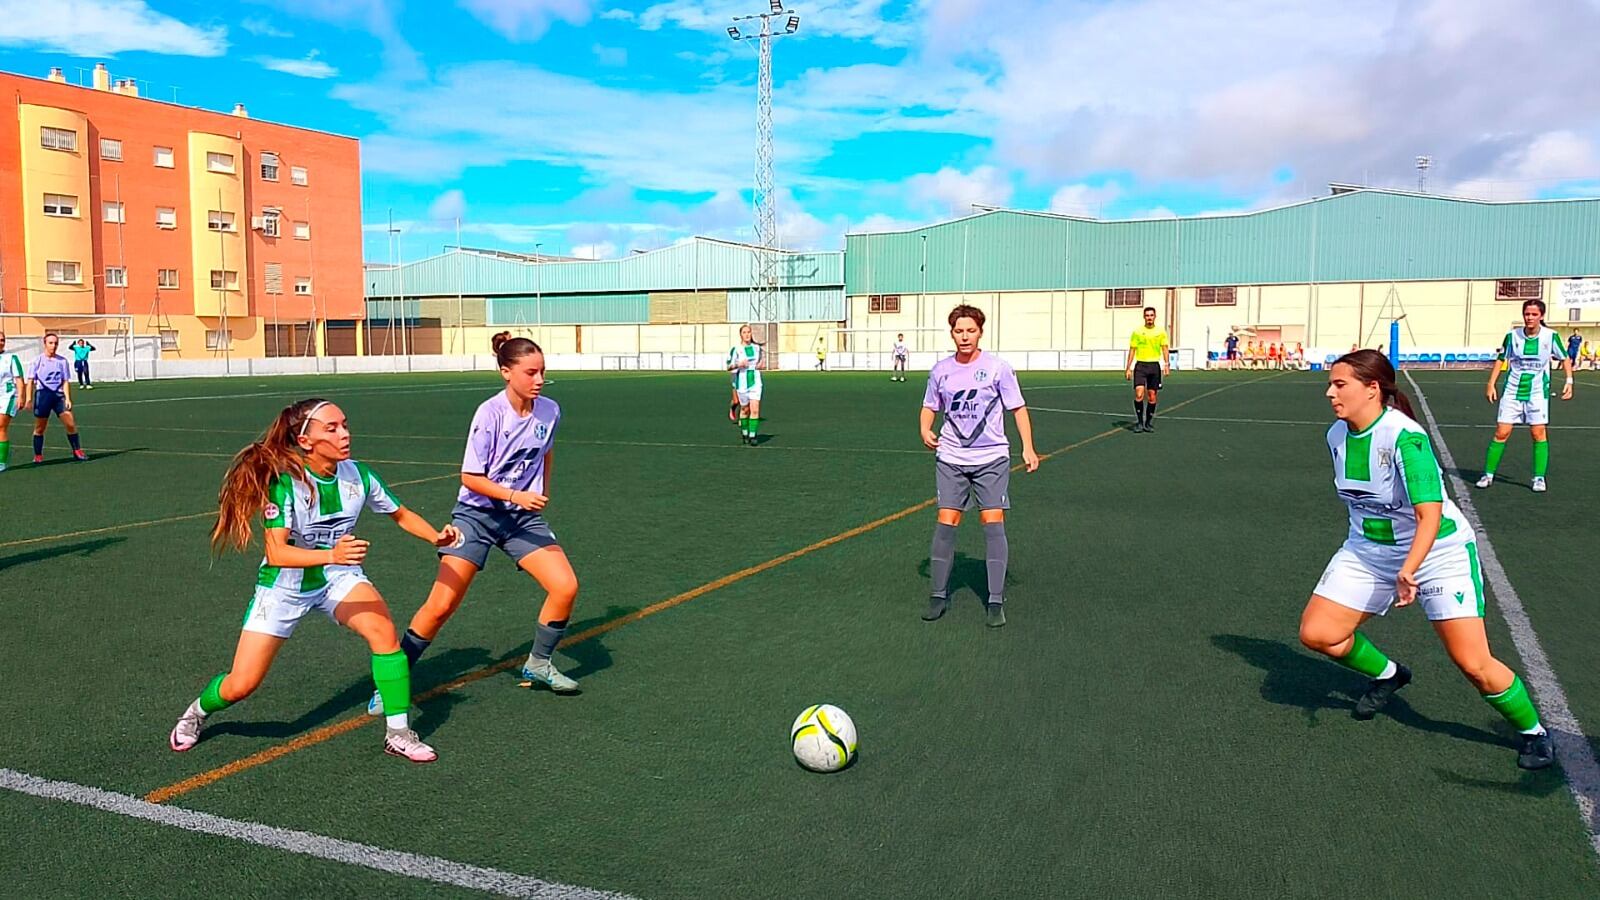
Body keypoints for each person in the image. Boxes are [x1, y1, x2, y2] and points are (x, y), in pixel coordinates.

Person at [1298, 350, 1552, 770]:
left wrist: (1409, 569)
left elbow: (1428, 514)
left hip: (1436, 554)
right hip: (1368, 550)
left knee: (1474, 663)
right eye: (1331, 384)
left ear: (1372, 389)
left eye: (1340, 384)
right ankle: (1388, 674)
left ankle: (1534, 732)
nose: (1330, 392)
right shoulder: (1336, 436)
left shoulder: (1406, 438)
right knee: (1318, 633)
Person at [168, 398, 459, 762]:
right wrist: (332, 555)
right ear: (305, 441)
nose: (345, 434)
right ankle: (197, 712)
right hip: (284, 587)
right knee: (241, 684)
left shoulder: (359, 475)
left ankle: (398, 733)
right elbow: (277, 554)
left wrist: (435, 536)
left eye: (345, 425)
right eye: (332, 428)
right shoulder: (285, 485)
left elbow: (400, 514)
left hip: (338, 576)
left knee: (383, 633)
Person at [369, 333, 582, 715]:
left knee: (565, 586)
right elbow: (470, 476)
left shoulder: (550, 410)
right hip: (477, 516)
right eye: (530, 372)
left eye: (542, 372)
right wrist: (516, 495)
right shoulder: (489, 414)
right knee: (442, 603)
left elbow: (546, 451)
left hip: (520, 518)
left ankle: (537, 664)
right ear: (506, 372)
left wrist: (540, 491)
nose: (538, 379)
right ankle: (392, 681)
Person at [920, 305, 1040, 628]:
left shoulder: (999, 369)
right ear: (952, 334)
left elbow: (1018, 408)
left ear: (980, 332)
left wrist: (1028, 447)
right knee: (946, 521)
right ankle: (937, 595)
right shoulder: (941, 370)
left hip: (991, 459)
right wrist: (924, 428)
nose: (964, 337)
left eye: (970, 331)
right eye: (959, 331)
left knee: (992, 522)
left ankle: (995, 600)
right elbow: (930, 406)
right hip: (951, 458)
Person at [1475, 299, 1573, 493]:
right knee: (1502, 432)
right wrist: (1491, 383)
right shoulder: (1512, 336)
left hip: (1537, 392)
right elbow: (1501, 359)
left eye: (1534, 314)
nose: (1529, 318)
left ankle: (1538, 478)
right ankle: (1488, 474)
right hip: (1512, 391)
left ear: (1541, 316)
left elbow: (1565, 358)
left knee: (1538, 433)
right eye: (1527, 314)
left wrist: (1569, 381)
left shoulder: (1550, 337)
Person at [24, 332, 85, 464]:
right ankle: (38, 455)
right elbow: (30, 381)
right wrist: (28, 399)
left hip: (58, 396)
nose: (54, 346)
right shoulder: (37, 361)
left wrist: (68, 398)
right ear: (45, 344)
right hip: (43, 395)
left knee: (70, 423)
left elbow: (65, 381)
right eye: (51, 343)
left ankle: (77, 450)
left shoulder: (62, 361)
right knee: (40, 428)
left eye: (56, 343)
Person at [1124, 306, 1170, 433]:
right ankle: (1139, 422)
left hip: (1154, 366)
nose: (1149, 317)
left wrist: (1167, 364)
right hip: (1140, 366)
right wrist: (1128, 368)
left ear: (1155, 316)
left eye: (1151, 315)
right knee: (1139, 394)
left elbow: (1165, 348)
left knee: (1152, 397)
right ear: (1144, 317)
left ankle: (1148, 423)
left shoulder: (1160, 332)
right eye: (1147, 315)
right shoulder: (1138, 332)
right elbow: (1132, 350)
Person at [728, 324, 764, 446]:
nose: (747, 334)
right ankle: (744, 433)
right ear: (741, 335)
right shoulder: (736, 349)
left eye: (749, 332)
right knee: (745, 409)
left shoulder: (756, 348)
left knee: (755, 409)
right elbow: (729, 367)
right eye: (744, 332)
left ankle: (753, 436)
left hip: (755, 381)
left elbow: (759, 361)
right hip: (742, 381)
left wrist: (760, 365)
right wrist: (738, 365)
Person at [0, 332, 21, 473]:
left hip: (7, 396)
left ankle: (1, 462)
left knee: (0, 426)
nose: (1, 342)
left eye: (2, 340)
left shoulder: (11, 358)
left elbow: (19, 378)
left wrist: (21, 397)